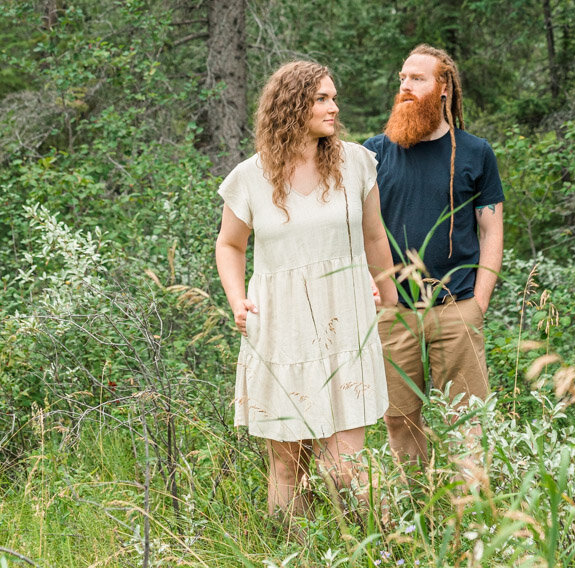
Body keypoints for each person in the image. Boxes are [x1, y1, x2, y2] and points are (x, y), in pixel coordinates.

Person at [215, 60, 397, 517]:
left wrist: (387, 291)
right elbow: (230, 245)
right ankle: (289, 553)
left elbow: (375, 236)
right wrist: (238, 301)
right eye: (322, 99)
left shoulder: (355, 163)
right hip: (281, 328)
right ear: (292, 105)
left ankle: (381, 551)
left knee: (345, 469)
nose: (334, 107)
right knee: (287, 466)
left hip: (346, 323)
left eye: (333, 98)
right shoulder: (250, 177)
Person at [365, 44, 504, 465]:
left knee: (467, 422)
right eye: (403, 78)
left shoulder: (475, 152)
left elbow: (491, 229)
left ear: (444, 86)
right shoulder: (372, 153)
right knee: (399, 419)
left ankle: (472, 515)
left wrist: (478, 303)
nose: (405, 86)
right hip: (394, 312)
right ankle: (416, 515)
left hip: (454, 306)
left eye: (418, 79)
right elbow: (356, 232)